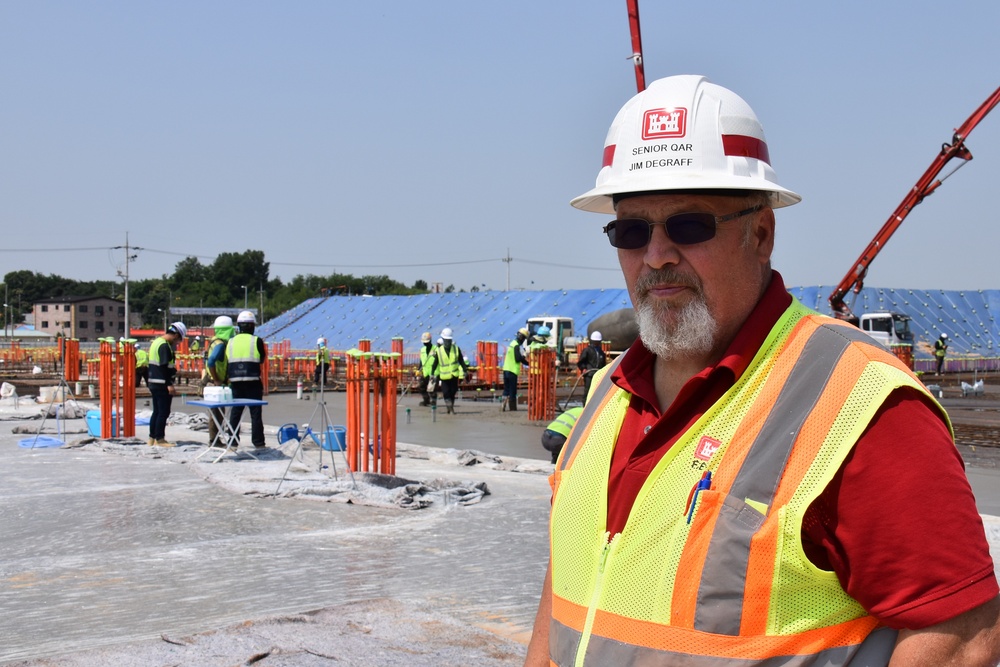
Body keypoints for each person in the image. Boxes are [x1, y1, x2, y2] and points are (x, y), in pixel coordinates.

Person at [524, 75, 1000, 666]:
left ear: (762, 233)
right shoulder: (606, 395)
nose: (657, 254)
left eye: (690, 225)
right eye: (632, 230)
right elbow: (571, 582)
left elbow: (962, 634)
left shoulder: (861, 405)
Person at [226, 310, 267, 451]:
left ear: (239, 326)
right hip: (253, 381)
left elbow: (227, 360)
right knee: (255, 414)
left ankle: (232, 442)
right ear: (252, 326)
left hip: (235, 382)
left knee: (236, 412)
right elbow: (261, 359)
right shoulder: (257, 341)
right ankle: (259, 443)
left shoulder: (230, 342)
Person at [147, 322, 187, 447]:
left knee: (157, 411)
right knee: (163, 412)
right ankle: (160, 439)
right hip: (162, 383)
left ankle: (152, 438)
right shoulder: (164, 346)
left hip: (153, 382)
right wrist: (169, 384)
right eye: (179, 339)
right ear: (175, 335)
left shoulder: (156, 342)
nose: (178, 342)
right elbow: (164, 366)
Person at [202, 315, 234, 447]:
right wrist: (216, 379)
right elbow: (211, 361)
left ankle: (215, 440)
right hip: (215, 384)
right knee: (217, 414)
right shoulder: (220, 344)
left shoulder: (214, 341)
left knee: (217, 414)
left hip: (211, 381)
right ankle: (214, 440)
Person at [430, 327, 469, 414]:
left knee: (452, 392)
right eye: (446, 340)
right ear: (443, 340)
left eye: (449, 340)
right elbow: (435, 363)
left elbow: (461, 361)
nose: (447, 342)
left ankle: (449, 407)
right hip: (444, 377)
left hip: (454, 376)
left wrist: (465, 371)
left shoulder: (456, 349)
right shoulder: (439, 351)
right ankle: (451, 409)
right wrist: (432, 374)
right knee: (446, 393)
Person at [575, 330, 607, 405]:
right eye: (595, 341)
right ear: (592, 341)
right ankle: (585, 406)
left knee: (597, 392)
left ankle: (595, 406)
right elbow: (581, 362)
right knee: (588, 391)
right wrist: (584, 368)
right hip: (589, 375)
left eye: (598, 341)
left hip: (598, 374)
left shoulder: (601, 352)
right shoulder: (587, 350)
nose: (597, 343)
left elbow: (603, 364)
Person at [502, 327, 530, 411]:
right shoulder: (516, 346)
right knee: (512, 390)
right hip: (512, 371)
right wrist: (527, 362)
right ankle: (512, 408)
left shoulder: (512, 343)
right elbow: (518, 358)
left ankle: (503, 405)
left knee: (506, 389)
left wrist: (524, 357)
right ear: (522, 337)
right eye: (524, 338)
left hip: (506, 369)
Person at [417, 332, 437, 407]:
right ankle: (426, 400)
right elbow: (422, 361)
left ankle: (433, 402)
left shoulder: (435, 349)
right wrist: (419, 370)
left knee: (432, 389)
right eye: (424, 343)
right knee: (421, 387)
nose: (425, 344)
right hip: (425, 372)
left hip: (434, 372)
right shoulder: (422, 350)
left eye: (427, 342)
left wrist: (435, 355)